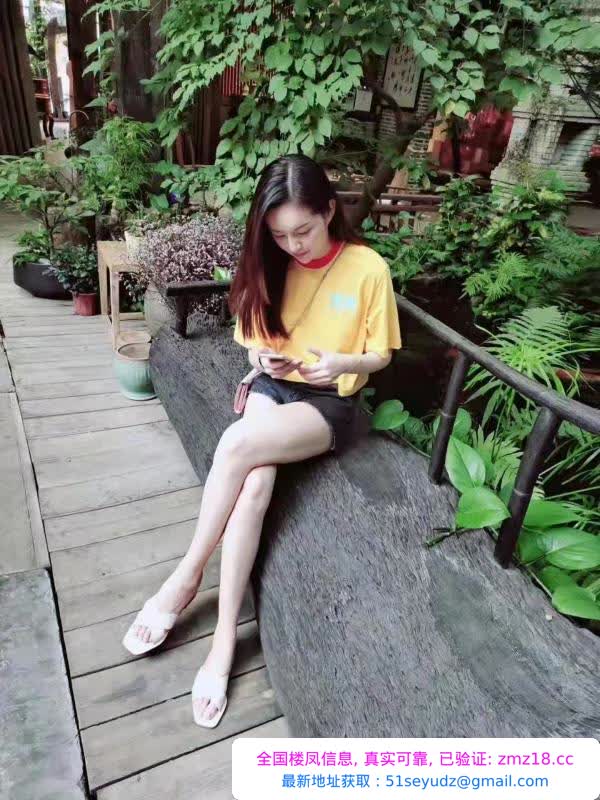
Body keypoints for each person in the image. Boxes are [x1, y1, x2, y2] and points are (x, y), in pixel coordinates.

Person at [122, 154, 402, 728]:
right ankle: (225, 638)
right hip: (274, 385)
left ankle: (186, 577)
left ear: (329, 211)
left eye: (304, 230)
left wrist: (344, 362)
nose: (293, 245)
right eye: (279, 234)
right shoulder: (270, 259)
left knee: (235, 446)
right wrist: (260, 358)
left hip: (327, 402)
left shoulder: (367, 268)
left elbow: (380, 354)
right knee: (252, 489)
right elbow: (250, 339)